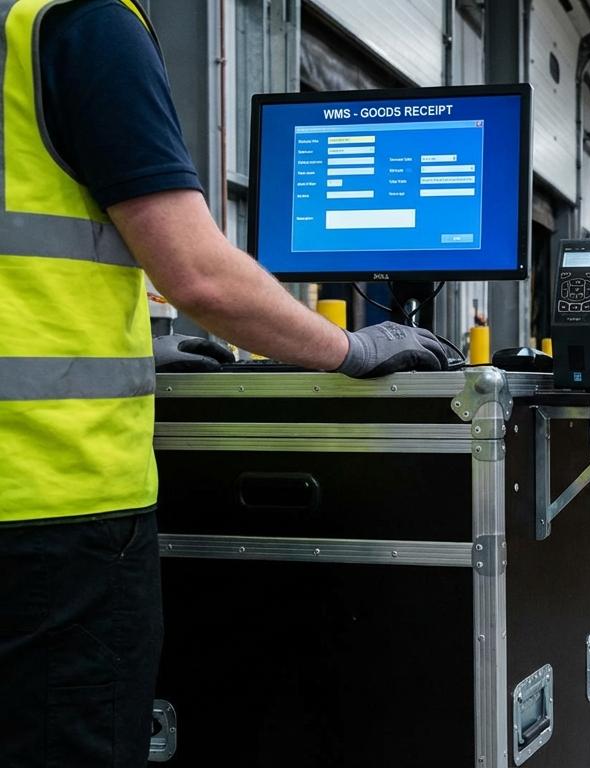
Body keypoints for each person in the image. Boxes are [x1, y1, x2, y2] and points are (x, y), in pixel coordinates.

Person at [0, 1, 450, 765]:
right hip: (53, 506)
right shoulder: (76, 22)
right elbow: (200, 277)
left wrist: (139, 340)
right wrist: (350, 348)